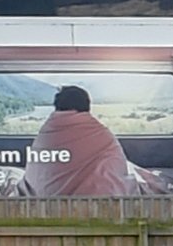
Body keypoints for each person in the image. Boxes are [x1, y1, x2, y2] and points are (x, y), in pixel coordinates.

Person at [19, 84, 150, 199]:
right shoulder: (100, 133)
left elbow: (36, 172)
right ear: (87, 106)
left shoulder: (46, 134)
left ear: (57, 107)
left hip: (46, 201)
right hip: (100, 201)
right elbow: (118, 166)